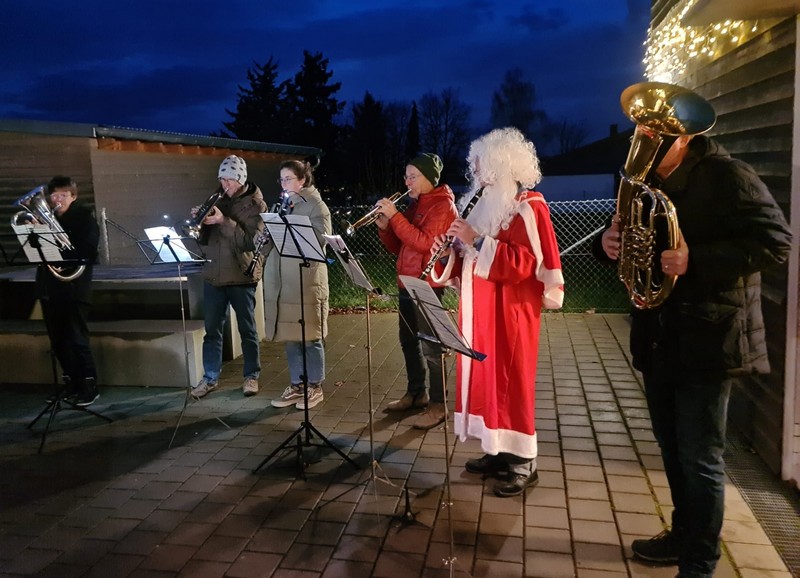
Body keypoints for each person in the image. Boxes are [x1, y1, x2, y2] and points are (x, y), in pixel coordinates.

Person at [593, 128, 792, 576]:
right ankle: (683, 535)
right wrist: (606, 245)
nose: (641, 144)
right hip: (660, 334)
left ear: (682, 139)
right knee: (671, 446)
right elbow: (623, 239)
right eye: (640, 134)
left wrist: (694, 260)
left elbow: (776, 241)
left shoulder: (729, 175)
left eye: (654, 136)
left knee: (700, 457)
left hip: (709, 337)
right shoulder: (644, 184)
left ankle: (699, 562)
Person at [430, 127, 564, 496]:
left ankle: (523, 461)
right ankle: (496, 449)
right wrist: (452, 251)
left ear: (502, 166)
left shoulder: (528, 207)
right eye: (474, 167)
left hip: (511, 313)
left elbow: (525, 264)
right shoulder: (484, 206)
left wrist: (475, 240)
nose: (476, 174)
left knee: (511, 381)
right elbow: (470, 262)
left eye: (482, 166)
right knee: (485, 381)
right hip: (479, 313)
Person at [376, 153, 458, 430]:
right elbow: (400, 246)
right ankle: (416, 393)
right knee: (408, 340)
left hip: (428, 284)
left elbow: (425, 244)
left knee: (432, 346)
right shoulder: (417, 204)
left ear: (429, 178)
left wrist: (395, 216)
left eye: (413, 176)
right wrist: (386, 228)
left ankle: (438, 405)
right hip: (407, 281)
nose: (407, 181)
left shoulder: (443, 206)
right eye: (406, 176)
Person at [191, 155, 266, 399]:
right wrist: (200, 223)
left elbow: (249, 242)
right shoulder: (216, 198)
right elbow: (205, 241)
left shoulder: (256, 205)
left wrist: (223, 220)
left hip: (242, 274)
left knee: (247, 329)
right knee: (212, 331)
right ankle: (210, 377)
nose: (225, 184)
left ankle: (251, 375)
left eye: (230, 180)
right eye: (222, 179)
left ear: (241, 179)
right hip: (214, 274)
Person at [266, 159, 332, 410]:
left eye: (288, 179)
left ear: (302, 180)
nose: (283, 184)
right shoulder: (283, 205)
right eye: (281, 179)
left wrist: (291, 228)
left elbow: (320, 240)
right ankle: (297, 385)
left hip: (307, 280)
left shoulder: (316, 205)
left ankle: (315, 386)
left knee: (310, 336)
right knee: (291, 335)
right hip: (286, 282)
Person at [35, 176, 101, 406]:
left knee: (76, 338)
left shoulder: (84, 219)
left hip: (74, 286)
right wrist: (35, 234)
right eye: (54, 195)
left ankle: (89, 386)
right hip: (49, 285)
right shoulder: (45, 220)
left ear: (73, 197)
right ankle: (71, 383)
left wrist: (61, 252)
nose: (57, 199)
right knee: (58, 340)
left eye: (63, 195)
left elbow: (89, 251)